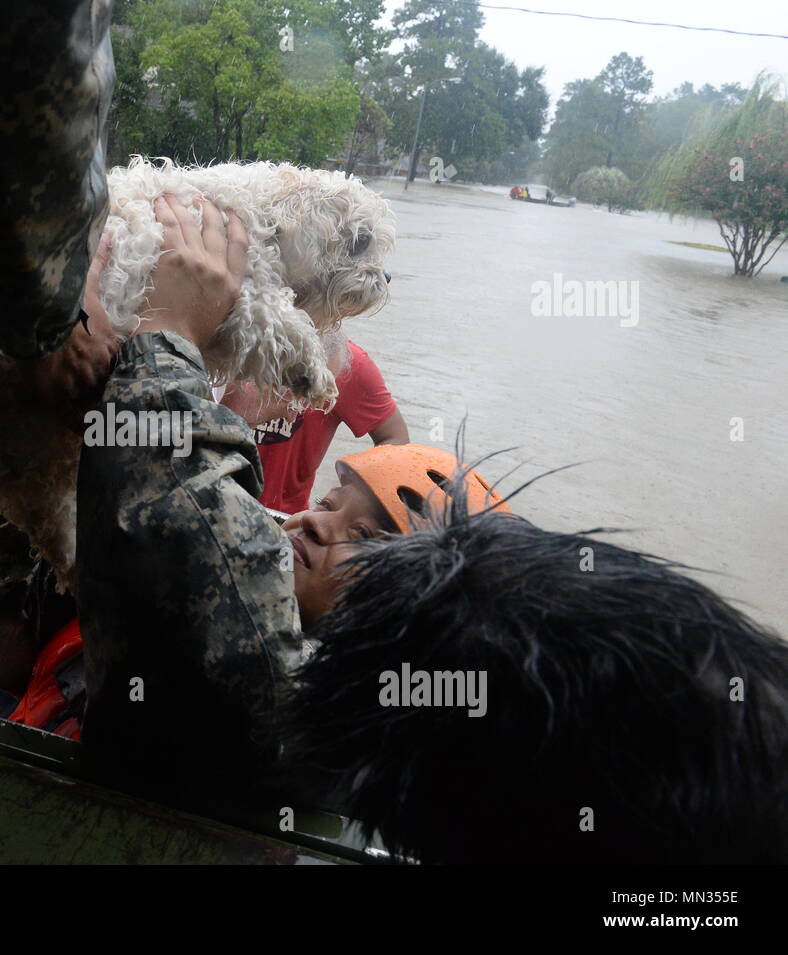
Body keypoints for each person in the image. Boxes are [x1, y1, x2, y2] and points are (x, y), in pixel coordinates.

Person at [70, 194, 788, 863]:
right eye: (332, 502)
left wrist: (161, 345)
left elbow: (207, 574)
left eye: (379, 549)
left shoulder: (323, 732)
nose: (316, 525)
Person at [221, 336, 409, 514]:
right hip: (207, 501)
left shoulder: (344, 362)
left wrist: (350, 503)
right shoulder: (226, 339)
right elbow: (189, 421)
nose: (291, 413)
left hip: (283, 516)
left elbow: (394, 439)